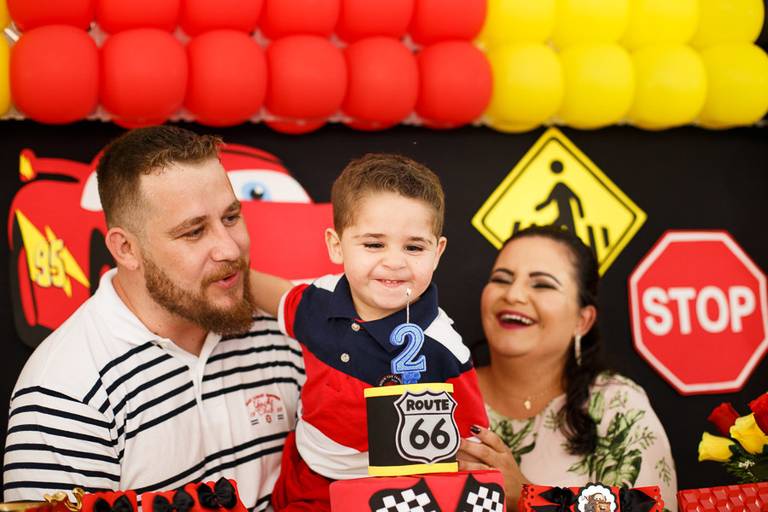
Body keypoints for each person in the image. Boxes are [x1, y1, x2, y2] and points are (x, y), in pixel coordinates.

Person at [3, 126, 304, 511]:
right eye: (194, 232)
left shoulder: (280, 328)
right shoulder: (65, 393)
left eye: (231, 217)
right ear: (126, 249)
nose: (230, 249)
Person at [250, 154, 489, 511]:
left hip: (386, 497)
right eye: (374, 244)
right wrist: (225, 273)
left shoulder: (444, 348)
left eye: (414, 247)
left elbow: (473, 449)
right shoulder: (319, 300)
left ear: (437, 252)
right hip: (305, 473)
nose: (394, 261)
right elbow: (279, 296)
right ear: (336, 245)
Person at [457, 225, 677, 511]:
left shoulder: (617, 407)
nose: (513, 295)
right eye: (501, 279)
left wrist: (527, 498)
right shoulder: (443, 396)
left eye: (542, 285)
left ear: (582, 320)